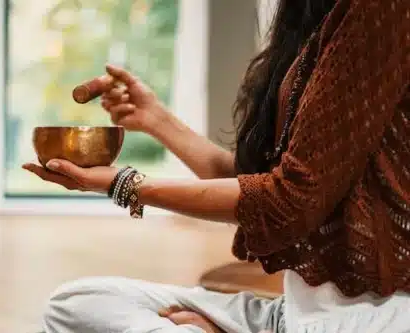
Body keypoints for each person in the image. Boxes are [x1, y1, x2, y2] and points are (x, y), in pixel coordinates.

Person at [22, 0, 410, 332]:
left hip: (363, 321)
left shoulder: (382, 8)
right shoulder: (316, 18)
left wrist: (124, 184)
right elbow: (255, 188)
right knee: (76, 303)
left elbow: (289, 198)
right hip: (289, 317)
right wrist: (155, 118)